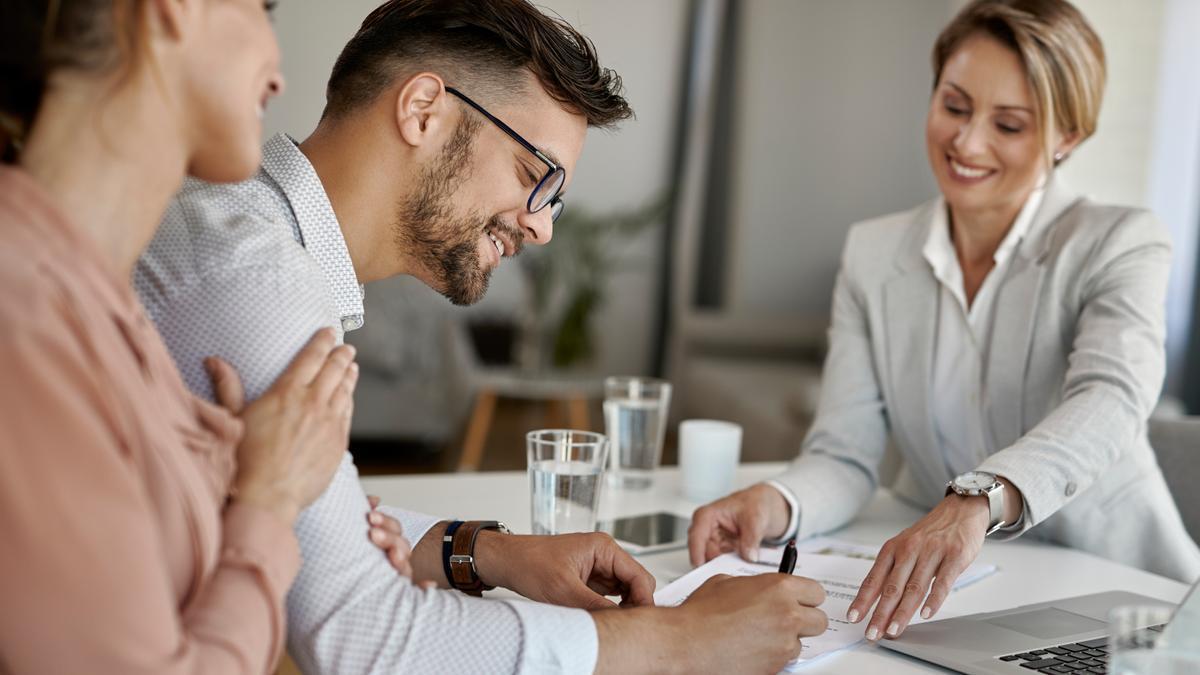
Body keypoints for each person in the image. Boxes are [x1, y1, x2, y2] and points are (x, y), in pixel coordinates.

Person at [133, 0, 829, 673]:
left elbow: (320, 525)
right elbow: (365, 637)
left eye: (554, 199)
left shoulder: (257, 239)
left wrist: (482, 551)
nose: (542, 226)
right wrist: (681, 640)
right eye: (535, 176)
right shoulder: (261, 284)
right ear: (423, 110)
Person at [689, 0, 1200, 647]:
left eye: (1009, 124)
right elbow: (845, 453)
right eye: (955, 106)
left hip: (1124, 599)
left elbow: (1111, 396)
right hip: (959, 598)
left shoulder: (1120, 241)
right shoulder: (873, 254)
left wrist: (977, 497)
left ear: (1067, 136)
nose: (968, 141)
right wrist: (775, 501)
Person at [0, 0, 358, 673]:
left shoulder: (99, 305)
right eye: (263, 10)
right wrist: (269, 502)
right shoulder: (25, 319)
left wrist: (225, 475)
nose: (278, 75)